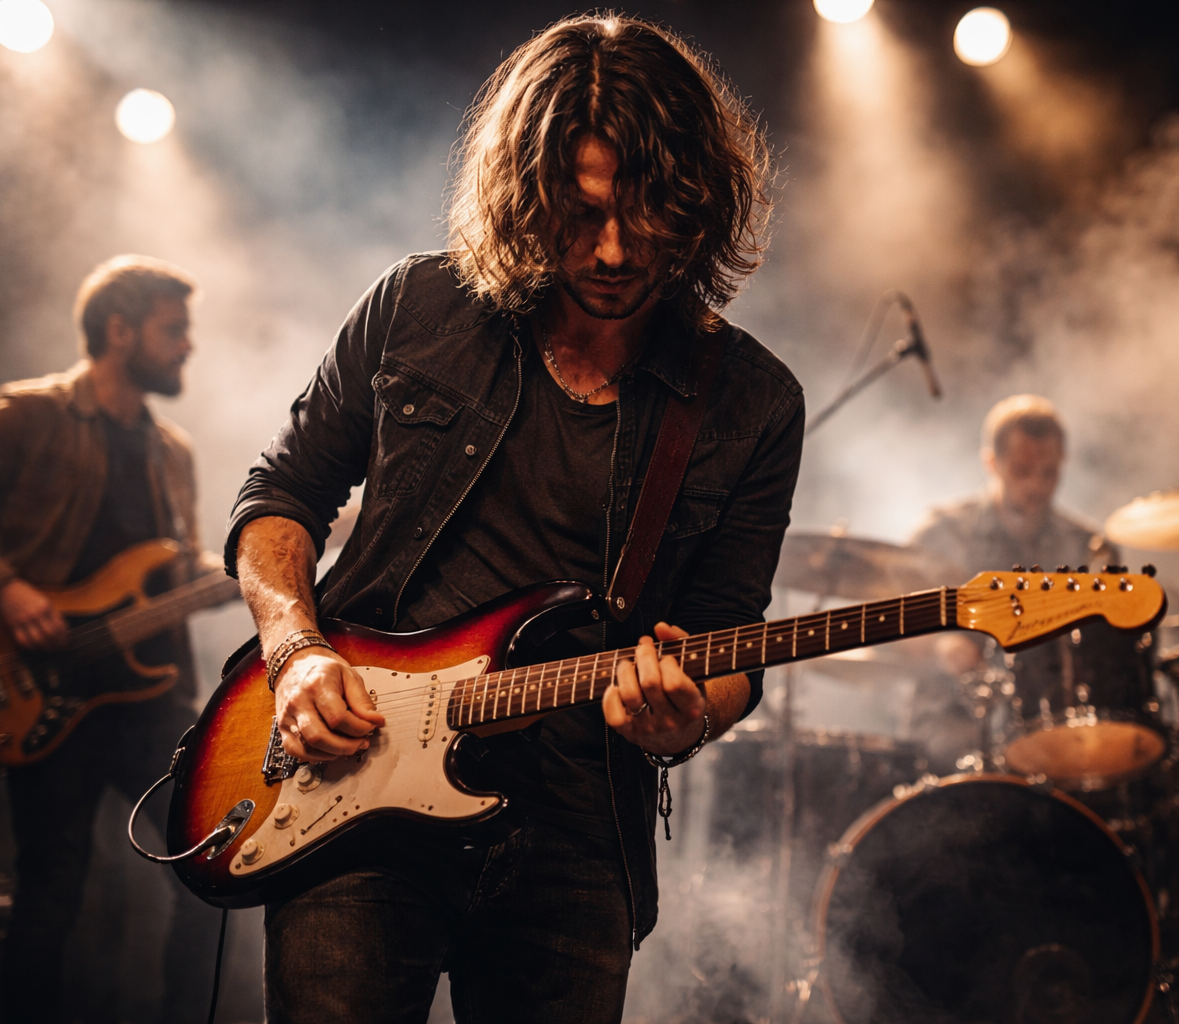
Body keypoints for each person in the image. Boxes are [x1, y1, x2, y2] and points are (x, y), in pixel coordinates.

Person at [225, 15, 802, 1024]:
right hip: (358, 802)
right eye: (580, 215)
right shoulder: (416, 307)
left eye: (645, 215)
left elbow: (728, 635)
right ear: (525, 197)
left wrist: (690, 716)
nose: (613, 251)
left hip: (576, 833)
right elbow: (278, 500)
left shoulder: (752, 401)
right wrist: (297, 652)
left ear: (698, 204)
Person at [0, 254, 224, 1022]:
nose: (189, 346)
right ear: (119, 331)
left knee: (215, 871)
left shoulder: (172, 451)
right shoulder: (29, 414)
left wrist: (281, 550)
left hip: (150, 700)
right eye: (173, 330)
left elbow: (181, 571)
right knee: (51, 892)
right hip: (41, 690)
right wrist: (5, 590)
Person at [907, 394, 1132, 771]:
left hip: (1054, 723)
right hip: (952, 720)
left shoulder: (1087, 548)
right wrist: (939, 644)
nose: (1036, 485)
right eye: (1022, 470)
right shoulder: (942, 535)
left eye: (1049, 473)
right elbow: (891, 628)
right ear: (991, 463)